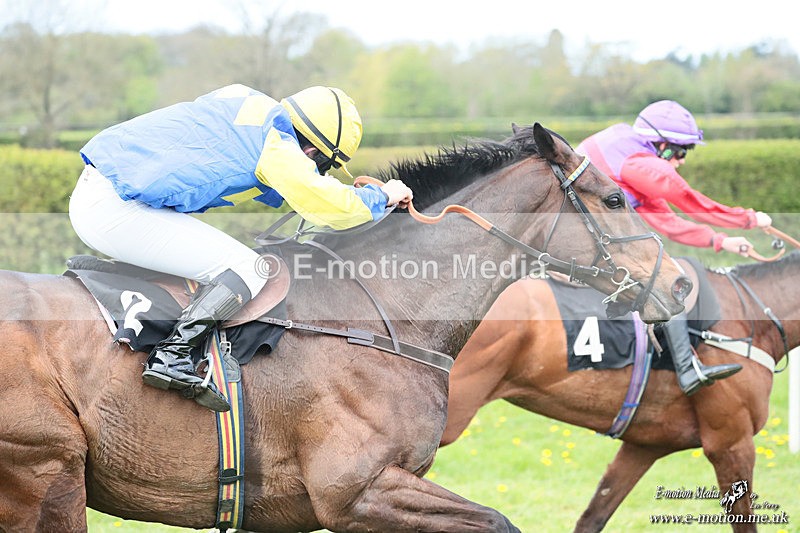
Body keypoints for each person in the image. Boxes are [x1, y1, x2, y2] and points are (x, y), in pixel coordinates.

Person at [69, 84, 413, 411]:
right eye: (322, 165)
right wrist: (381, 196)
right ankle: (172, 355)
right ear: (310, 151)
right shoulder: (278, 149)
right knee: (249, 268)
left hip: (104, 190)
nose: (316, 170)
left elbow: (283, 179)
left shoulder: (247, 100)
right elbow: (327, 205)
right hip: (114, 207)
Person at [576, 100, 772, 396]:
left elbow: (667, 221)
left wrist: (722, 241)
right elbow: (691, 202)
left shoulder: (627, 149)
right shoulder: (640, 164)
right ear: (661, 144)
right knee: (669, 279)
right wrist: (748, 218)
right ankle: (686, 368)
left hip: (578, 224)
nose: (680, 160)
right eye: (680, 151)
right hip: (579, 232)